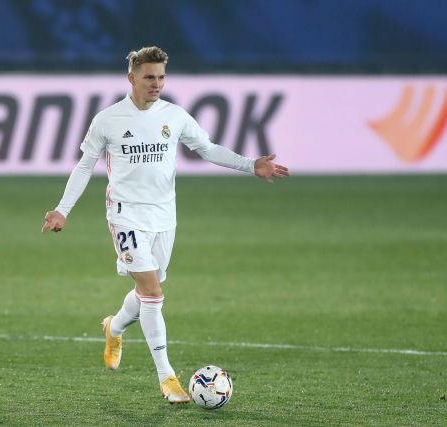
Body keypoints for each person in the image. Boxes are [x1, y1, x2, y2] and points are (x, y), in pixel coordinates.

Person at [42, 46, 289, 404]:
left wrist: (251, 165)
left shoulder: (174, 116)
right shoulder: (108, 119)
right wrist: (62, 209)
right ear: (132, 78)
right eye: (148, 77)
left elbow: (207, 148)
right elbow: (84, 166)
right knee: (154, 295)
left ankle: (114, 326)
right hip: (126, 215)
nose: (156, 83)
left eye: (160, 77)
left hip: (164, 217)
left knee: (147, 291)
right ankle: (167, 377)